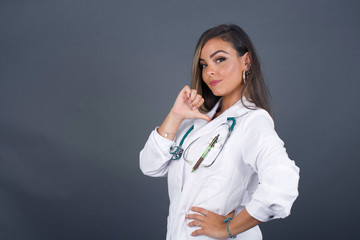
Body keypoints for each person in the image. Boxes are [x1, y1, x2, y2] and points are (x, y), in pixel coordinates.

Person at [139, 24, 299, 240]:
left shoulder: (252, 121)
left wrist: (227, 228)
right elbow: (150, 166)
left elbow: (281, 187)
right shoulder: (196, 121)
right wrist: (175, 116)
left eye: (220, 59)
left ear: (246, 61)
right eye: (204, 64)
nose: (209, 71)